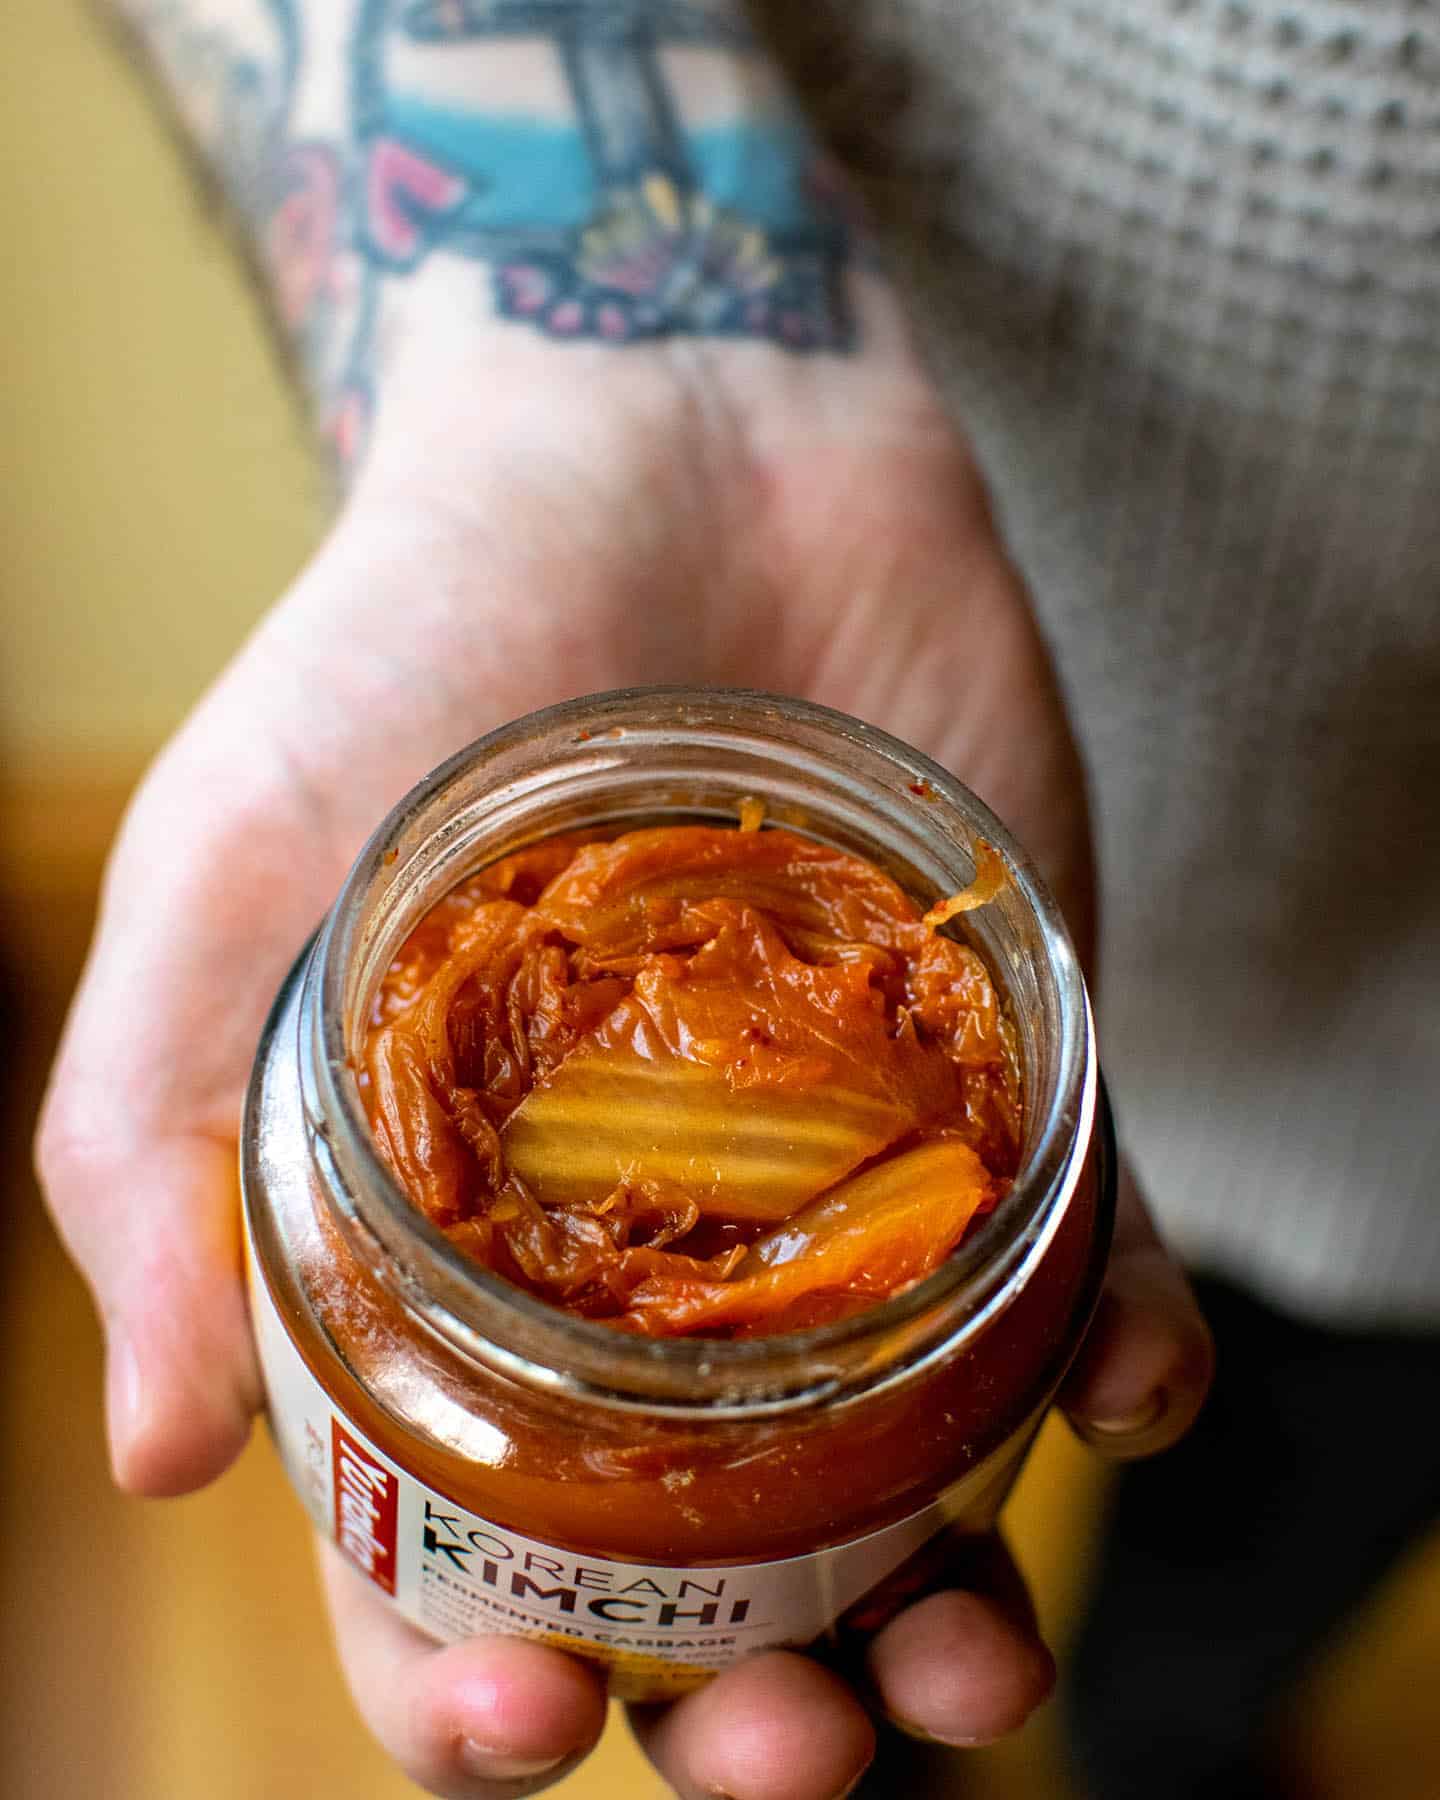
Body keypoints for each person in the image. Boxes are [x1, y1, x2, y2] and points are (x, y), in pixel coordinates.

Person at [40, 1, 1435, 1795]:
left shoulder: (978, 1179)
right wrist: (573, 372)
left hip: (1406, 1087)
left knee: (1253, 1573)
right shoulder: (391, 1115)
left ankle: (1182, 1736)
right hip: (845, 457)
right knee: (854, 1698)